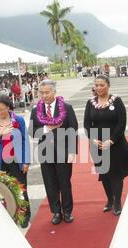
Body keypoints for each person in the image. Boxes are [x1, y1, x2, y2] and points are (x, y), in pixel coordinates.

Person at [84, 75, 128, 216]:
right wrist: (93, 139)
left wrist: (111, 140)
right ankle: (109, 199)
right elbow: (87, 124)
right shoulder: (90, 103)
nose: (99, 88)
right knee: (104, 174)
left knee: (115, 174)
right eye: (97, 85)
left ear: (108, 85)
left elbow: (121, 123)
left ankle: (117, 201)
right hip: (97, 145)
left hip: (115, 144)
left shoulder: (116, 101)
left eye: (102, 85)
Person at [29, 79, 78, 225]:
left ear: (54, 92)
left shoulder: (66, 108)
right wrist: (46, 129)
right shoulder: (35, 110)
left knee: (64, 183)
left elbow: (73, 130)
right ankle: (56, 212)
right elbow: (31, 132)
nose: (44, 95)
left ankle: (67, 211)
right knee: (50, 184)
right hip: (45, 152)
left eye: (47, 92)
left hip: (63, 152)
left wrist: (72, 151)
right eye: (41, 93)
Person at [0, 95, 31, 228]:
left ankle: (25, 215)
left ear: (8, 107)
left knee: (21, 189)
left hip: (16, 160)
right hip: (0, 161)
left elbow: (25, 141)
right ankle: (10, 214)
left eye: (2, 109)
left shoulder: (19, 120)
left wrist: (26, 161)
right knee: (5, 190)